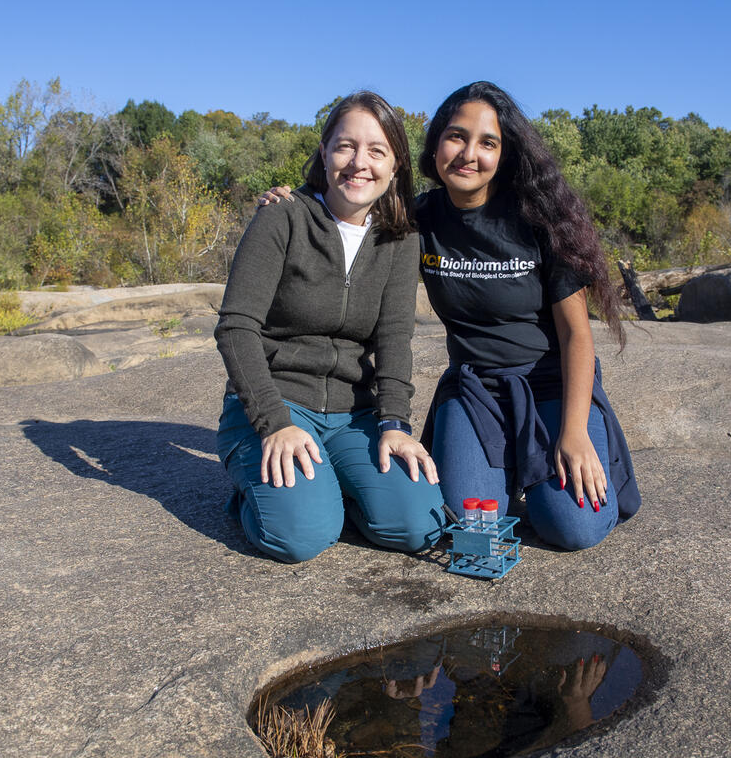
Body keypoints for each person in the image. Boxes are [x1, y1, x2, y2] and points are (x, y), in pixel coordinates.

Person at [259, 81, 640, 552]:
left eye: (488, 142)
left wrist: (575, 432)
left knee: (571, 527)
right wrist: (292, 200)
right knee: (464, 522)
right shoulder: (418, 220)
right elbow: (349, 200)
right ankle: (509, 469)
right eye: (456, 136)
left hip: (551, 387)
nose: (468, 154)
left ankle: (543, 468)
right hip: (475, 389)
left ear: (505, 153)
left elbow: (577, 335)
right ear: (436, 142)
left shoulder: (539, 219)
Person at [215, 91, 445, 564]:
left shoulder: (400, 239)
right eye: (345, 146)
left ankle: (329, 488)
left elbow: (394, 338)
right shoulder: (282, 217)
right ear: (324, 152)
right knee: (300, 535)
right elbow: (235, 327)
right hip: (278, 405)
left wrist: (395, 423)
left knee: (420, 525)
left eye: (377, 151)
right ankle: (260, 495)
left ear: (396, 164)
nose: (359, 163)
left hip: (353, 415)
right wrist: (273, 423)